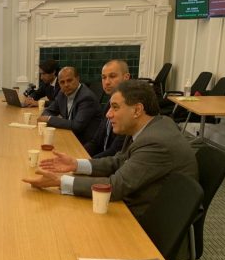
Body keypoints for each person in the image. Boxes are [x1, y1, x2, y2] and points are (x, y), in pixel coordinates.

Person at [23, 80, 197, 220]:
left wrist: (60, 181)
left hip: (148, 220)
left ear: (137, 110)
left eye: (115, 107)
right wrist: (76, 164)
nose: (108, 114)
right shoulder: (150, 126)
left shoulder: (155, 142)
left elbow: (115, 186)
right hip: (138, 201)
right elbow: (118, 161)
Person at [36, 66, 102, 143]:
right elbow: (49, 111)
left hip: (84, 142)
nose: (66, 85)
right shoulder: (62, 93)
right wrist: (48, 118)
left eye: (69, 80)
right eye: (62, 82)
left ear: (77, 79)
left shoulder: (86, 98)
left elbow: (77, 126)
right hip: (70, 135)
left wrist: (49, 119)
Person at [83, 59, 131, 158]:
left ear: (126, 77)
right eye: (104, 77)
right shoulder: (109, 103)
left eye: (112, 76)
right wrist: (77, 155)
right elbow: (96, 141)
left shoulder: (130, 107)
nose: (107, 82)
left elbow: (115, 152)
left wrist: (83, 162)